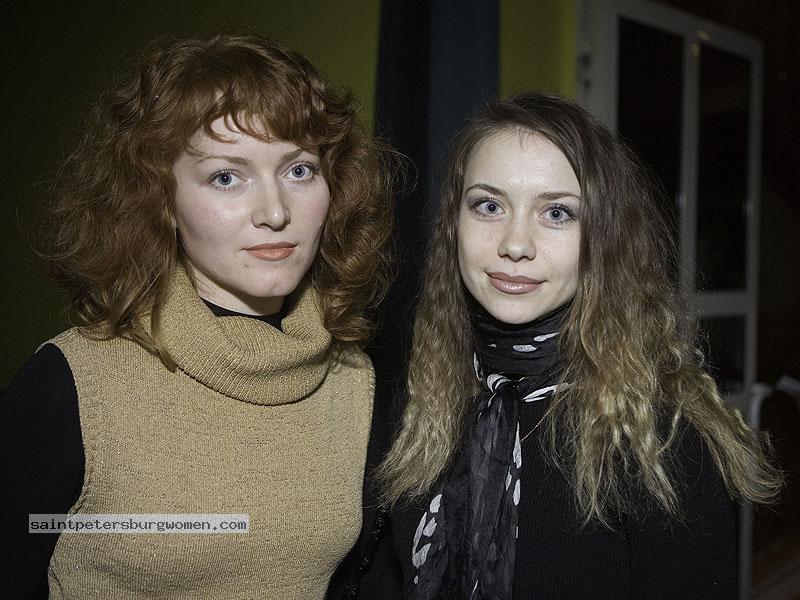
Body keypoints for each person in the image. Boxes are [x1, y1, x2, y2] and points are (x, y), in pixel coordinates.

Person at [339, 92, 781, 599]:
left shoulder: (664, 444)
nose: (515, 244)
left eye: (556, 213)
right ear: (453, 224)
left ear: (604, 239)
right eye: (489, 206)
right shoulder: (418, 401)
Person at [1, 33, 393, 599]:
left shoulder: (354, 382)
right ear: (161, 199)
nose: (275, 212)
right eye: (226, 177)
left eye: (299, 171)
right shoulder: (73, 383)